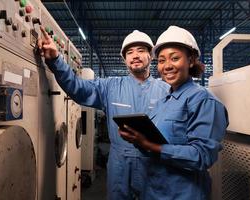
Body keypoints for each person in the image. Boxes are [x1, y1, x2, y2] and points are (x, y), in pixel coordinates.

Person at [38, 27, 169, 199]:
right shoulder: (110, 87)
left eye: (141, 50)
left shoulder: (167, 90)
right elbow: (77, 87)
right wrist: (56, 60)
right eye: (129, 52)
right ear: (124, 59)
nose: (135, 55)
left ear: (150, 56)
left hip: (154, 163)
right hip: (120, 165)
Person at [119, 25, 229, 200]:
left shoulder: (203, 101)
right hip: (154, 190)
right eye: (161, 60)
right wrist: (137, 138)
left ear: (191, 60)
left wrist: (149, 145)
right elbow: (158, 143)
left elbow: (202, 156)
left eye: (175, 58)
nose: (167, 66)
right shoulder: (164, 101)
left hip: (182, 193)